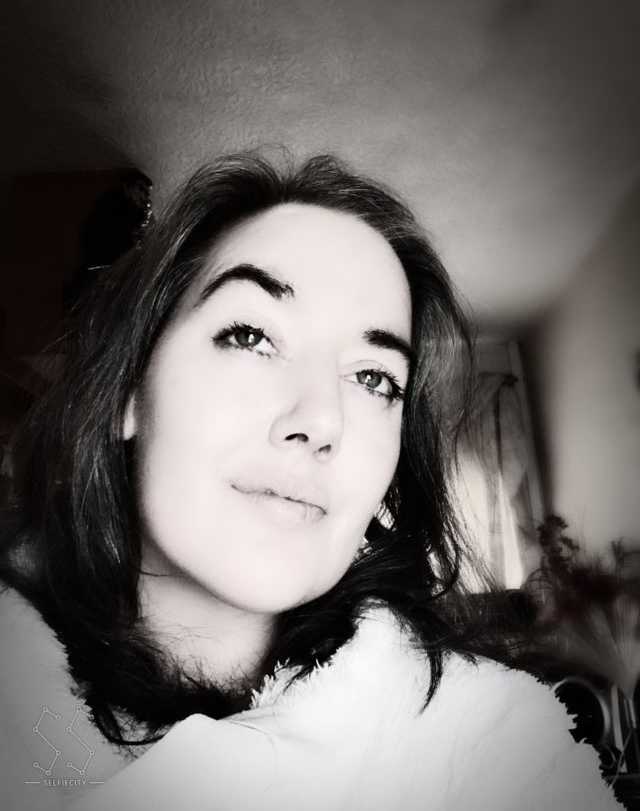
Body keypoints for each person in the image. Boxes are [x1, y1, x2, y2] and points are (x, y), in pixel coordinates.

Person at [0, 154, 620, 810]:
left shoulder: (491, 752)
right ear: (129, 390)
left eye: (373, 378)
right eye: (250, 336)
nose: (322, 420)